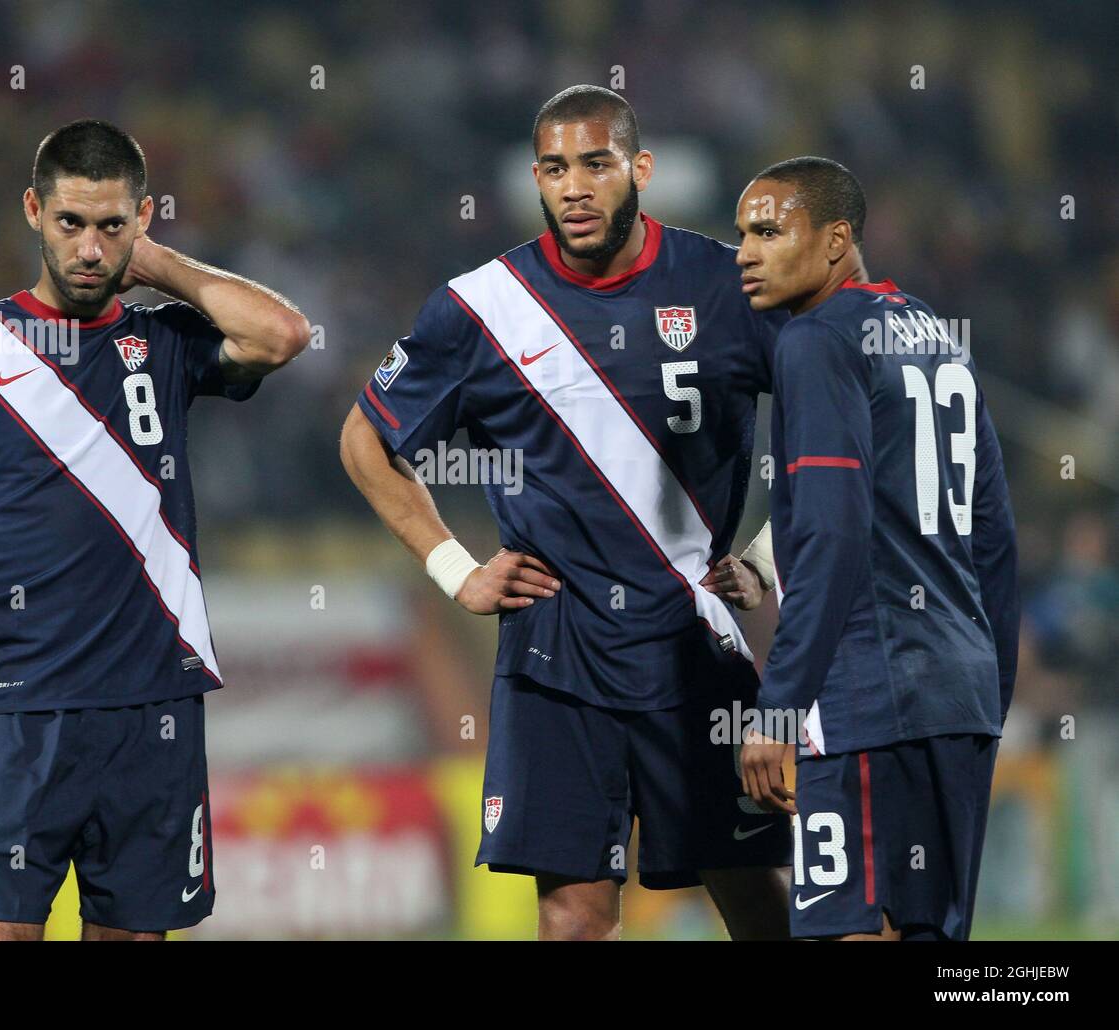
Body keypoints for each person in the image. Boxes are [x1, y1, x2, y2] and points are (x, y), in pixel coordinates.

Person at [340, 85, 792, 940]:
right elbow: (366, 441)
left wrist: (767, 555)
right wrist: (454, 567)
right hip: (555, 658)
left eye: (595, 163)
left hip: (690, 648)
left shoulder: (727, 284)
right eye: (554, 169)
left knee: (757, 896)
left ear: (641, 170)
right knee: (573, 920)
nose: (574, 187)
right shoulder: (482, 308)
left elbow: (832, 433)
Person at [0, 119, 310, 940]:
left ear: (142, 222)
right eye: (71, 222)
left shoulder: (165, 340)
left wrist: (157, 267)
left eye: (112, 226)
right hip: (18, 711)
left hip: (154, 709)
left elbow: (283, 335)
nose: (89, 248)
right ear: (33, 210)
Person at [731, 156, 1019, 940]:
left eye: (768, 231)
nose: (746, 252)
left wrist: (780, 708)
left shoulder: (815, 341)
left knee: (841, 931)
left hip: (868, 695)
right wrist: (992, 695)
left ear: (835, 242)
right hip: (959, 700)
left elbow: (834, 528)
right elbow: (993, 536)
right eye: (741, 235)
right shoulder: (937, 336)